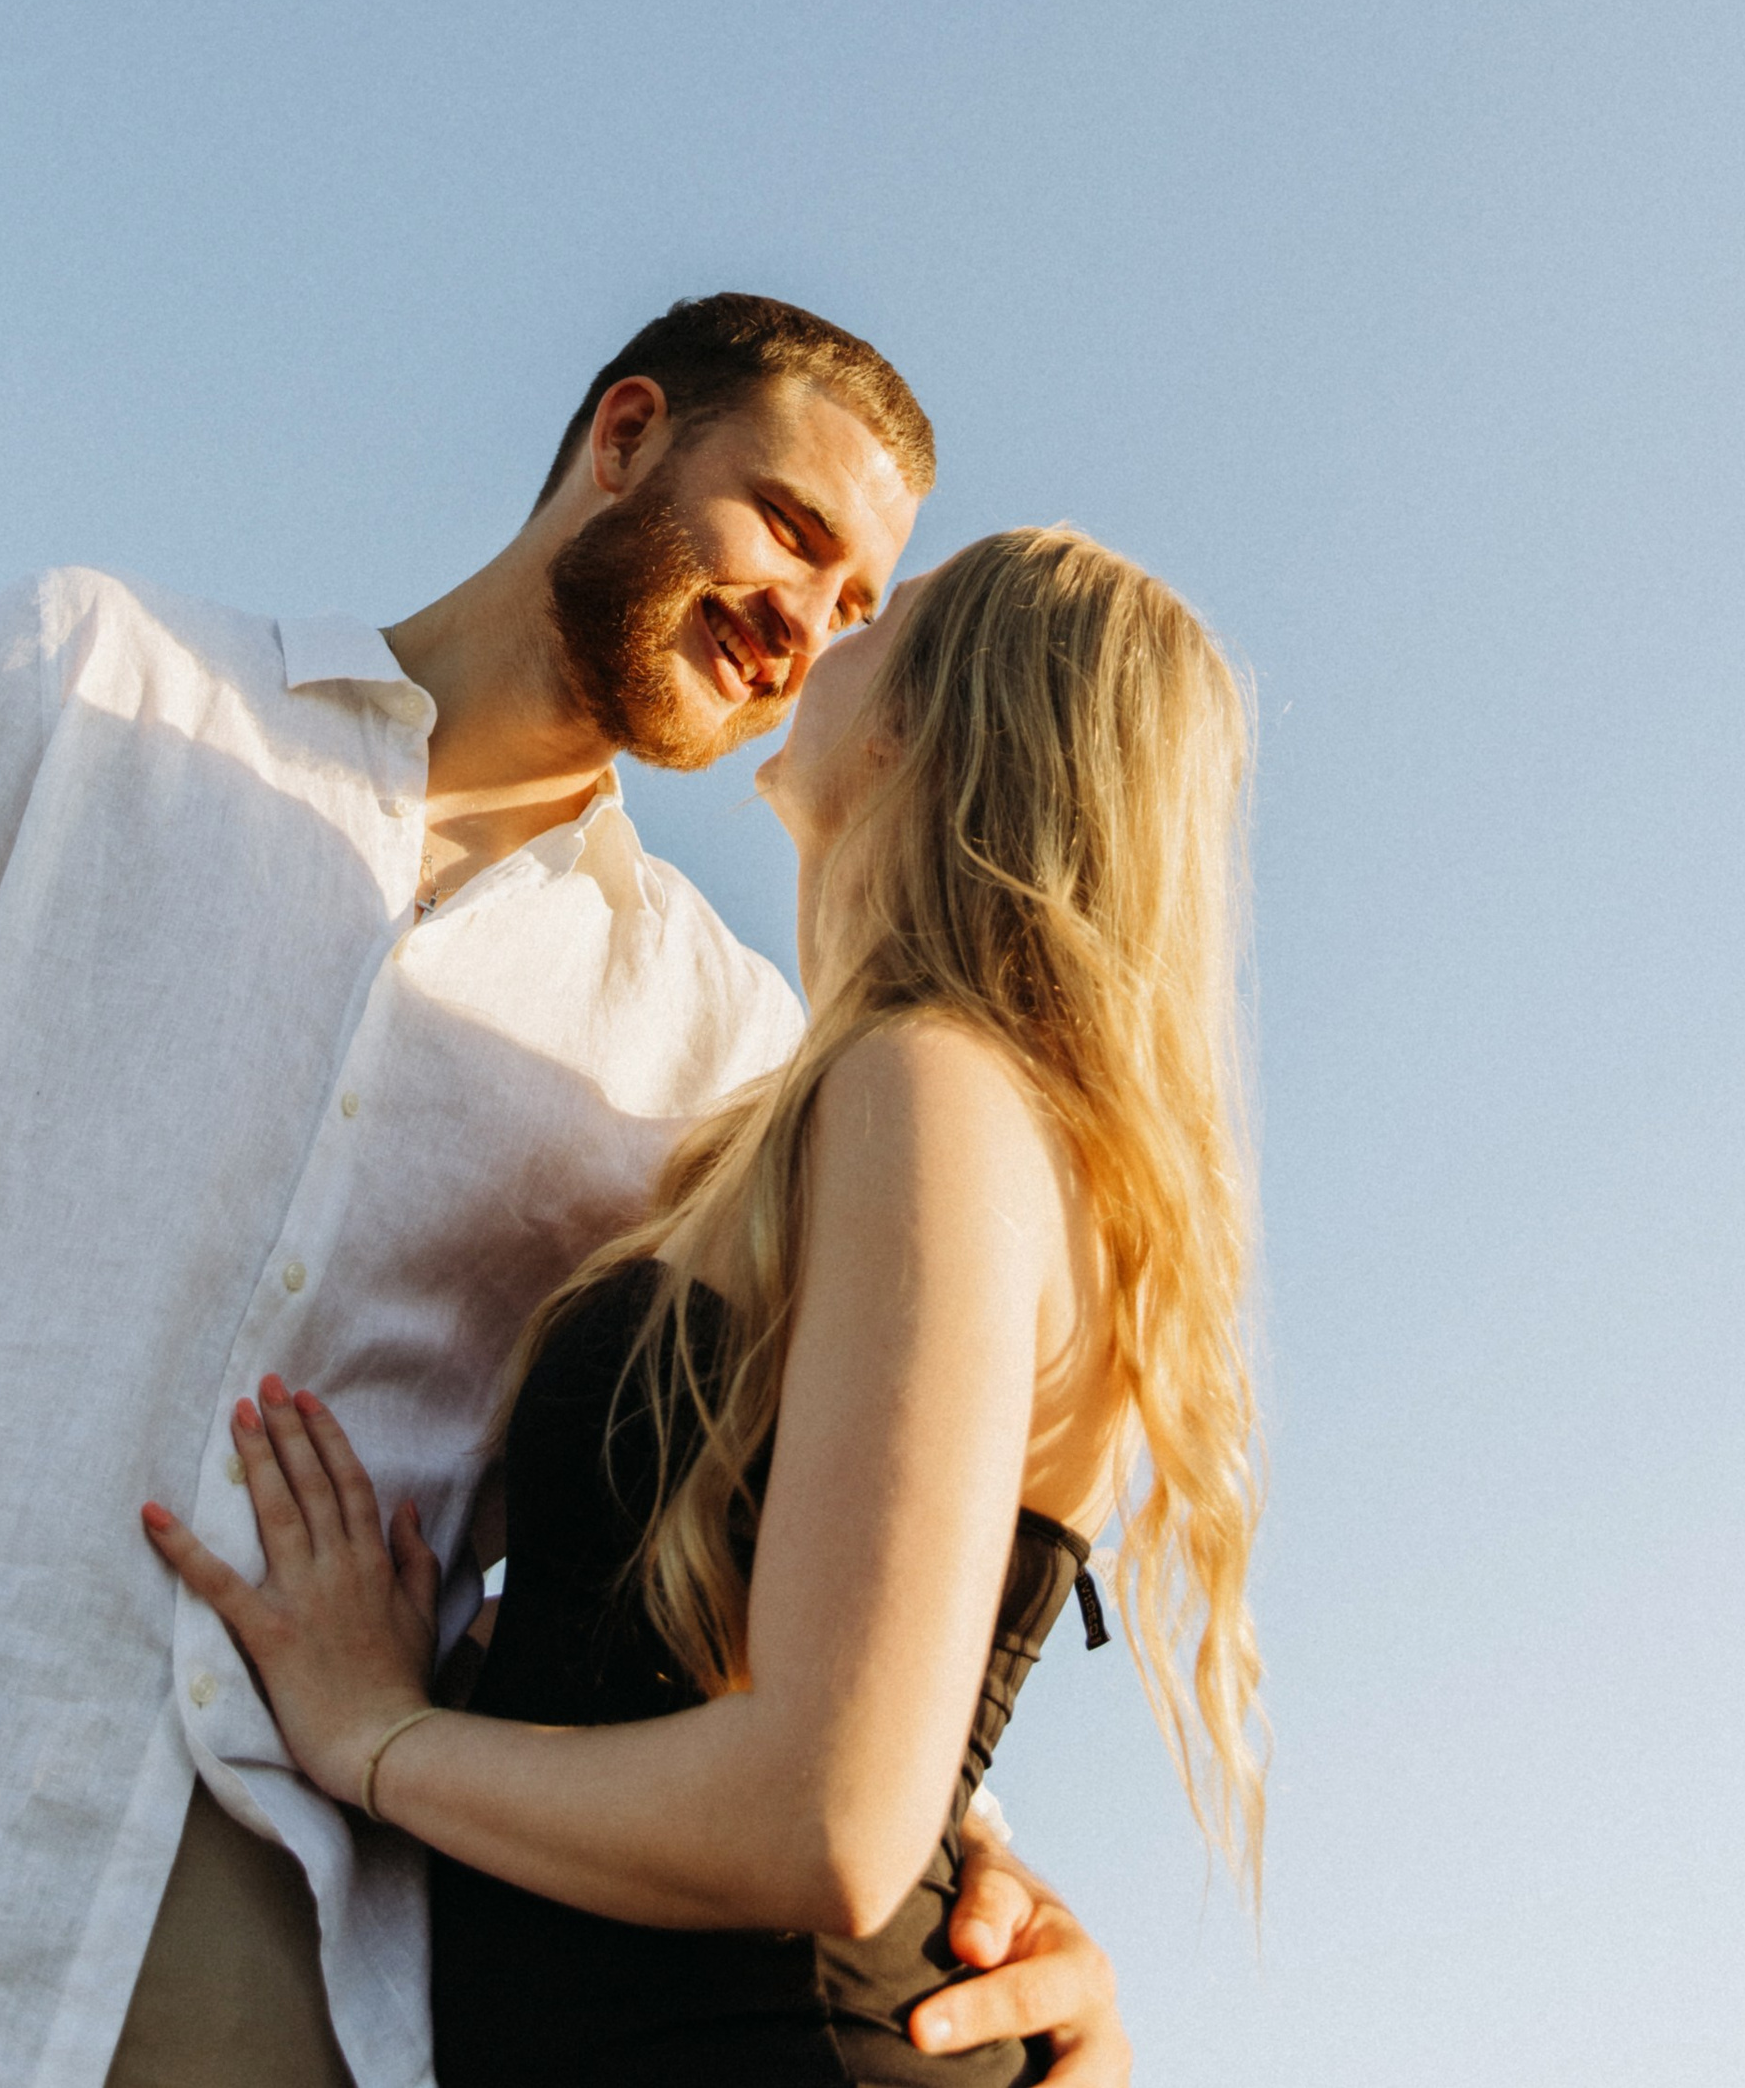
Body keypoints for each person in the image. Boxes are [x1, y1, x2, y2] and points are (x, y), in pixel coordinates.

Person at [0, 296, 1133, 2088]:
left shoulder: (717, 1049)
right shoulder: (93, 681)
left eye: (851, 606)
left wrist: (966, 1890)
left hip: (259, 1996)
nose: (803, 628)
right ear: (626, 434)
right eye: (792, 529)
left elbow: (735, 1593)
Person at [143, 522, 1264, 2084]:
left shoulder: (927, 1087)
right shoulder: (880, 1118)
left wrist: (375, 1737)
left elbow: (836, 1812)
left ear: (928, 721)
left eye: (885, 612)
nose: (823, 633)